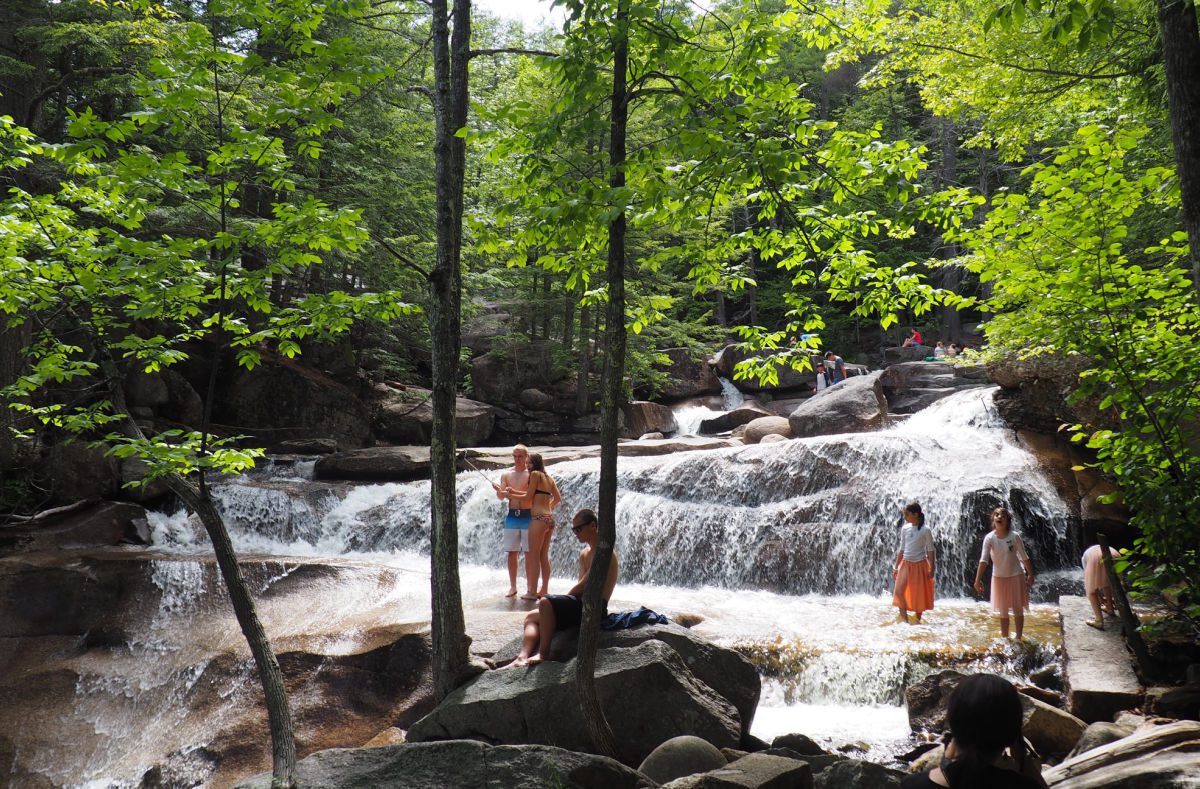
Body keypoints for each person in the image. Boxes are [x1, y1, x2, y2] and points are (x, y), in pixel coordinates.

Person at [506, 509, 619, 667]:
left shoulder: (605, 553)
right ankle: (522, 657)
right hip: (580, 605)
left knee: (546, 602)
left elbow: (585, 585)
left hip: (594, 608)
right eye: (573, 530)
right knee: (531, 617)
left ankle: (543, 654)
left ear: (593, 525)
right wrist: (561, 603)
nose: (575, 533)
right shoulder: (584, 554)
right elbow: (580, 586)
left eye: (578, 529)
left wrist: (557, 602)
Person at [901, 673, 1048, 788]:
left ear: (953, 723)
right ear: (1011, 736)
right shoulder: (1022, 786)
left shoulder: (913, 785)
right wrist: (1024, 759)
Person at [974, 506, 1036, 640]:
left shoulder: (1014, 536)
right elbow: (984, 560)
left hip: (1016, 575)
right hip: (999, 577)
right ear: (993, 519)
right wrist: (977, 579)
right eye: (996, 515)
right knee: (1003, 611)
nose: (999, 517)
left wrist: (1030, 574)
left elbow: (1024, 556)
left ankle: (1018, 638)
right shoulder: (989, 538)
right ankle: (1005, 638)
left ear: (1008, 520)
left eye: (1003, 515)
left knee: (1017, 609)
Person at [506, 452, 562, 600]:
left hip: (537, 519)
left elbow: (528, 497)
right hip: (549, 519)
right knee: (543, 555)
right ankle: (544, 590)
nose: (527, 466)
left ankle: (532, 592)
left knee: (534, 556)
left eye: (529, 463)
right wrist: (547, 509)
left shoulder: (535, 474)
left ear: (536, 464)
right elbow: (557, 498)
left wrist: (510, 495)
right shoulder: (549, 478)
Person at [494, 444, 533, 598]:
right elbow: (501, 496)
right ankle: (513, 586)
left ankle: (530, 586)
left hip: (528, 514)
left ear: (526, 457)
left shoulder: (531, 474)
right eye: (515, 456)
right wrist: (499, 491)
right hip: (512, 515)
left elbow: (530, 494)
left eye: (520, 456)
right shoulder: (506, 475)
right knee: (512, 552)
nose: (517, 459)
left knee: (529, 552)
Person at [893, 502, 935, 624]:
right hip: (905, 564)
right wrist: (896, 567)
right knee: (898, 592)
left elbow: (931, 550)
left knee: (918, 594)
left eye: (907, 514)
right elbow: (902, 549)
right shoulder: (905, 528)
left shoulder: (925, 530)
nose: (905, 516)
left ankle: (917, 620)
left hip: (920, 564)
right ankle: (905, 621)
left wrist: (932, 568)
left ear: (916, 514)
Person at [1081, 543, 1120, 630]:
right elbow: (1104, 581)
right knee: (1108, 583)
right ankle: (1110, 608)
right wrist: (1102, 599)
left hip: (1097, 557)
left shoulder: (1084, 557)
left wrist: (1100, 599)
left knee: (1091, 592)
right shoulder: (1094, 549)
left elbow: (1093, 585)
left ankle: (1099, 621)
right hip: (1114, 553)